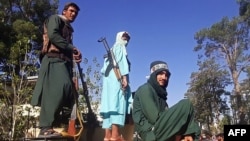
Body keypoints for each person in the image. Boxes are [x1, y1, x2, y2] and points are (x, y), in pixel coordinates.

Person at [30, 2, 82, 137]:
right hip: (53, 60)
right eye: (71, 11)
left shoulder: (69, 28)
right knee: (56, 90)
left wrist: (74, 56)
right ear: (64, 11)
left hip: (64, 63)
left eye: (76, 13)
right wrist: (72, 48)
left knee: (68, 92)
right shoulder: (55, 19)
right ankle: (45, 127)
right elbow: (53, 35)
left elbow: (66, 47)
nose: (73, 14)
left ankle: (55, 125)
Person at [132, 61, 201, 141]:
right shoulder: (145, 90)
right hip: (149, 134)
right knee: (186, 104)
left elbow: (166, 118)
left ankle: (188, 135)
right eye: (160, 74)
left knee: (190, 119)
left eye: (166, 75)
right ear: (154, 75)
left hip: (158, 131)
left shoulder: (161, 97)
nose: (164, 77)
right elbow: (155, 119)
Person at [100, 31, 133, 141]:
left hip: (109, 83)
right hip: (116, 80)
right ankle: (115, 135)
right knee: (118, 105)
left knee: (110, 105)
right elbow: (122, 63)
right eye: (124, 37)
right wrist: (124, 78)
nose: (126, 40)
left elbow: (104, 70)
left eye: (127, 38)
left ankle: (108, 135)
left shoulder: (111, 50)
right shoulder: (120, 47)